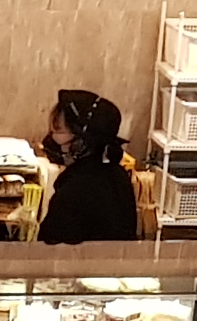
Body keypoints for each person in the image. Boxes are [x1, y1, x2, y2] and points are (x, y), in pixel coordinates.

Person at [34, 87, 140, 245]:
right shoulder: (119, 176)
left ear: (81, 142)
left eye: (58, 131)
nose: (51, 137)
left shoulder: (74, 190)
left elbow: (49, 249)